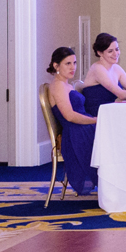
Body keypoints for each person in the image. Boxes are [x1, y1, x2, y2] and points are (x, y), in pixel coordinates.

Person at [44, 47, 98, 195]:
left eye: (74, 63)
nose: (73, 67)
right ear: (56, 66)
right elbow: (69, 116)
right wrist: (94, 120)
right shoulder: (58, 85)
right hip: (75, 133)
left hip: (82, 127)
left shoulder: (66, 84)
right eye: (68, 63)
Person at [83, 33, 126, 111]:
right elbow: (121, 94)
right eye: (110, 51)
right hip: (96, 115)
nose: (115, 54)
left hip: (109, 111)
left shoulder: (116, 68)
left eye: (117, 49)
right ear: (99, 53)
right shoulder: (97, 68)